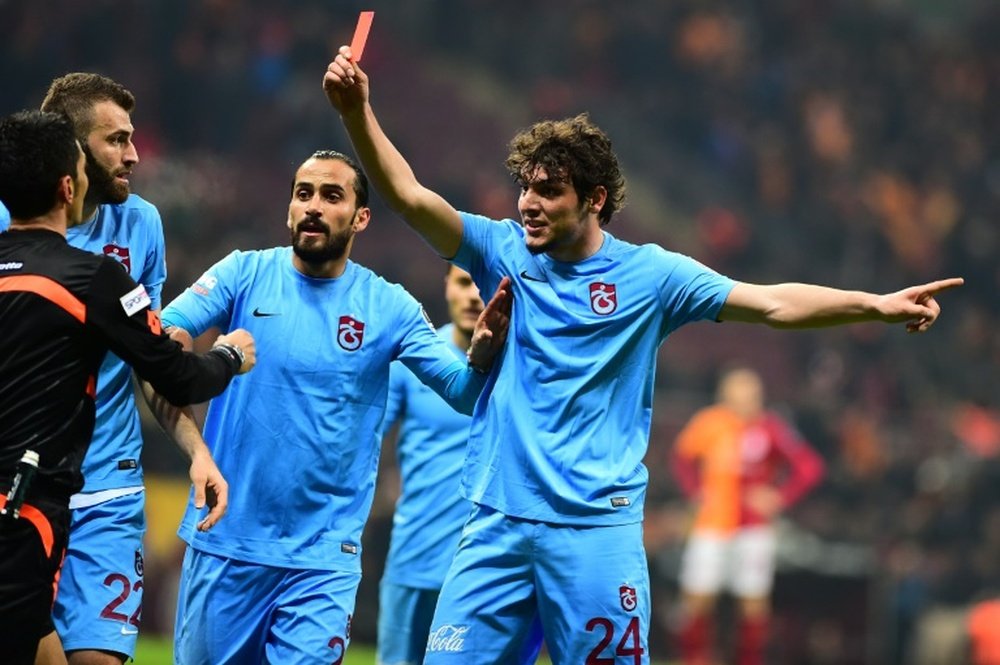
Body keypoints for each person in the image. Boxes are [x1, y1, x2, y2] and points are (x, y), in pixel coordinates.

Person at [322, 46, 963, 663]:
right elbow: (408, 197)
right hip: (497, 524)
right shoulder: (501, 249)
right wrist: (356, 113)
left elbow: (771, 303)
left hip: (595, 535)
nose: (528, 204)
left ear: (594, 198)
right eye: (525, 188)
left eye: (548, 191)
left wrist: (875, 305)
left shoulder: (652, 277)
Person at [160, 149, 511, 664]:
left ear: (361, 217)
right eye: (304, 194)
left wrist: (480, 357)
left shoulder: (389, 307)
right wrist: (201, 428)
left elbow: (462, 394)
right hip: (226, 541)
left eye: (332, 195)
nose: (314, 207)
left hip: (323, 561)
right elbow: (161, 343)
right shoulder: (243, 274)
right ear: (288, 209)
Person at [0, 110, 254, 665]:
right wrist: (231, 355)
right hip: (31, 501)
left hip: (98, 494)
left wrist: (197, 450)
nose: (134, 155)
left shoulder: (140, 226)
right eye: (116, 140)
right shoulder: (95, 278)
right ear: (71, 176)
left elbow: (151, 362)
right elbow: (171, 366)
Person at [378, 264, 542, 665]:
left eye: (483, 285)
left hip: (497, 567)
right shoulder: (415, 360)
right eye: (463, 282)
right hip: (415, 559)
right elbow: (362, 438)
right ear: (446, 287)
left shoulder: (531, 369)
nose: (473, 296)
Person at [670, 366, 825, 665]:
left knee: (753, 604)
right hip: (712, 523)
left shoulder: (771, 427)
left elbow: (809, 466)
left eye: (750, 395)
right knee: (696, 599)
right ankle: (694, 659)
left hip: (753, 528)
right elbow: (681, 458)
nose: (744, 402)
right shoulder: (709, 423)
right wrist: (695, 492)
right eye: (737, 395)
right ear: (724, 396)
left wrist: (779, 497)